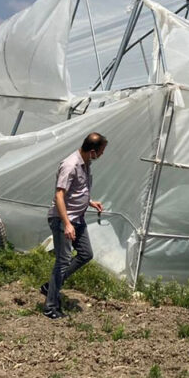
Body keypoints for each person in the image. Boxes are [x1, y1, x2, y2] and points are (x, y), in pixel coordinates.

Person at [41, 132, 107, 319]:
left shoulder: (85, 163)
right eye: (101, 152)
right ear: (92, 151)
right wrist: (67, 223)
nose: (102, 155)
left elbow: (77, 191)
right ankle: (50, 307)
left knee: (86, 254)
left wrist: (90, 201)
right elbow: (59, 195)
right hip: (64, 220)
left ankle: (50, 286)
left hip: (77, 217)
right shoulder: (70, 165)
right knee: (62, 262)